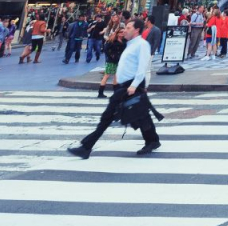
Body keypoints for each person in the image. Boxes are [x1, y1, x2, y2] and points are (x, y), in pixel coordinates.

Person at [67, 19, 160, 158]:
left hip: (131, 86)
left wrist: (134, 85)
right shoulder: (130, 44)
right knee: (140, 115)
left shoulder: (142, 45)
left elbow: (142, 67)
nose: (125, 30)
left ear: (137, 30)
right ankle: (153, 140)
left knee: (112, 116)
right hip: (124, 86)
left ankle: (86, 147)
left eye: (128, 27)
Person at [98, 28, 126, 98]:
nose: (122, 33)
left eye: (123, 32)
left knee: (116, 76)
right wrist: (111, 56)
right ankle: (100, 92)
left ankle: (115, 93)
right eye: (121, 32)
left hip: (119, 61)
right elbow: (106, 49)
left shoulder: (124, 41)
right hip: (111, 61)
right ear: (118, 33)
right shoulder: (113, 41)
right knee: (106, 75)